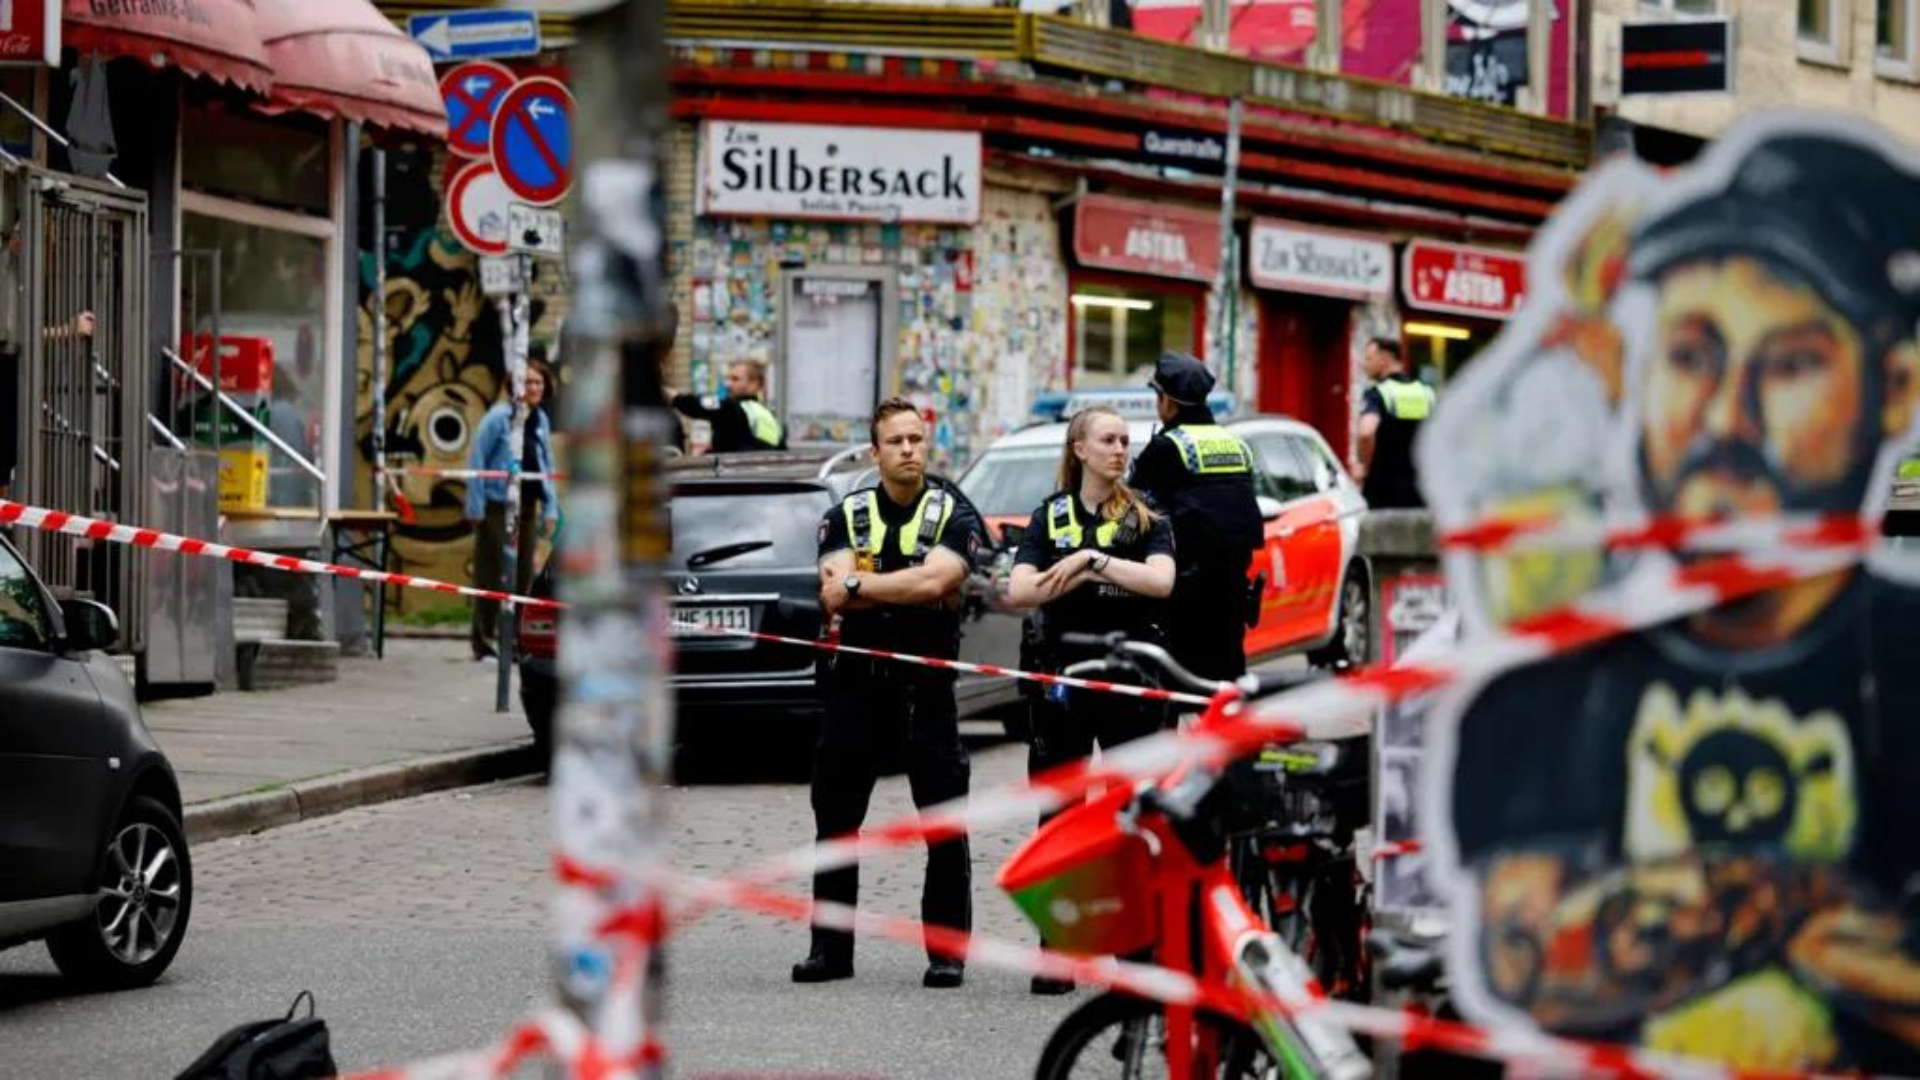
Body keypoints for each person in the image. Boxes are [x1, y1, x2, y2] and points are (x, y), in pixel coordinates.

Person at [1440, 125, 1920, 1072]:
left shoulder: (1906, 664)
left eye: (1787, 364)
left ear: (1894, 388)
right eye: (1693, 355)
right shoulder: (1556, 681)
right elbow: (1525, 956)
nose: (1724, 419)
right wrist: (1805, 906)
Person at [797, 397, 981, 990]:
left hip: (926, 690)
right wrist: (883, 587)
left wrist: (863, 584)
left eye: (915, 440)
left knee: (944, 824)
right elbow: (834, 594)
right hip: (856, 689)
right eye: (896, 442)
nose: (908, 450)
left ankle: (947, 953)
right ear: (874, 454)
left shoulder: (953, 512)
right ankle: (830, 951)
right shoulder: (845, 514)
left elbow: (940, 579)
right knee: (836, 822)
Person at [1007, 404, 1175, 994]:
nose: (1120, 449)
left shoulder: (1147, 517)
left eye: (1125, 440)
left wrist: (1089, 561)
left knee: (1135, 814)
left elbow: (1161, 581)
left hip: (1129, 683)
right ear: (1079, 448)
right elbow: (1020, 589)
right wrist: (1074, 569)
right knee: (1060, 816)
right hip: (1061, 681)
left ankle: (1138, 953)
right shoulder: (1049, 516)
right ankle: (1058, 951)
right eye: (1108, 440)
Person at [1129, 350, 1264, 681]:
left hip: (1184, 591)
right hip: (1232, 587)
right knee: (1226, 680)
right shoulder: (1236, 444)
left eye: (1158, 397)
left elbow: (1132, 508)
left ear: (1170, 403)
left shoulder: (1168, 447)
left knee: (1177, 683)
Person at [465, 360, 558, 661]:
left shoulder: (540, 419)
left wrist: (551, 507)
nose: (534, 388)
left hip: (528, 507)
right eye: (528, 382)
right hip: (496, 507)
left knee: (523, 579)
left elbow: (547, 465)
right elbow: (477, 461)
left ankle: (517, 642)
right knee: (491, 575)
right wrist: (475, 506)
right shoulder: (498, 418)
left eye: (538, 383)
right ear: (515, 385)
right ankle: (483, 641)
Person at [1353, 336, 1434, 510]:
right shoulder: (1426, 393)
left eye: (1369, 358)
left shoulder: (1378, 393)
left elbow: (1366, 432)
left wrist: (1365, 466)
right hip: (1420, 489)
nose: (1364, 364)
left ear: (1385, 359)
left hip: (1383, 490)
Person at [669, 359, 786, 453]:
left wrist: (673, 396)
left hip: (737, 479)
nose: (727, 384)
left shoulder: (733, 409)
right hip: (765, 479)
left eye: (735, 379)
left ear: (754, 384)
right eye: (727, 378)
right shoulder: (770, 418)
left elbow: (696, 405)